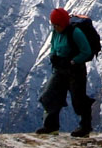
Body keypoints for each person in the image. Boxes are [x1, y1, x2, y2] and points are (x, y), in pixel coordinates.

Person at [35, 7, 96, 137]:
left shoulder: (75, 33)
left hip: (75, 71)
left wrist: (73, 61)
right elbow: (53, 46)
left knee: (78, 101)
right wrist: (53, 55)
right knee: (49, 96)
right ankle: (51, 127)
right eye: (54, 25)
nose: (55, 27)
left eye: (57, 25)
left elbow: (86, 51)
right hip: (59, 69)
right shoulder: (56, 32)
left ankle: (85, 127)